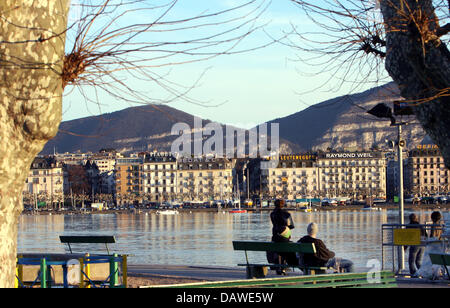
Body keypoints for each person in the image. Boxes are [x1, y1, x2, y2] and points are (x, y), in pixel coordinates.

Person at [268, 199, 297, 274]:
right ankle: (283, 266)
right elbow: (291, 226)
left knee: (278, 248)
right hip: (284, 236)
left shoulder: (272, 214)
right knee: (285, 247)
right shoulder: (286, 214)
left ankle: (279, 266)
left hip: (275, 235)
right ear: (283, 205)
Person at [407, 213, 427, 277]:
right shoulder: (420, 225)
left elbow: (406, 237)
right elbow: (426, 235)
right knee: (418, 261)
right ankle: (423, 273)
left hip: (414, 245)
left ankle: (414, 274)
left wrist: (405, 246)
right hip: (422, 245)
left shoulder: (409, 226)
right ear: (416, 218)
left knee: (411, 261)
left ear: (410, 219)